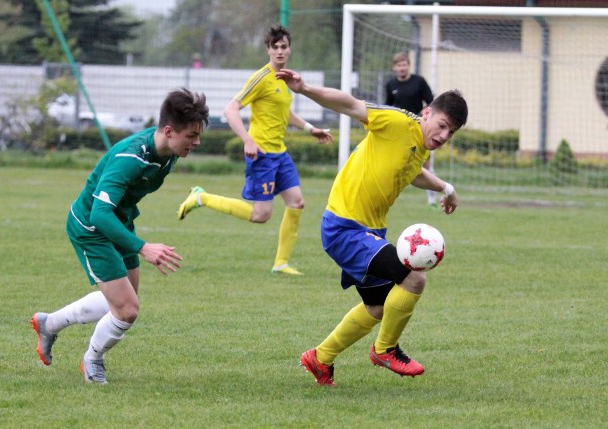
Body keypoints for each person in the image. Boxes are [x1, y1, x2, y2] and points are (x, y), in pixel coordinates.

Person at [276, 68, 468, 386]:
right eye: (443, 125)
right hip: (345, 228)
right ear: (427, 113)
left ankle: (320, 358)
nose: (444, 136)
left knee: (377, 307)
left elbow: (413, 172)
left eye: (452, 133)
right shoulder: (396, 123)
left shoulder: (418, 147)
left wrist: (444, 187)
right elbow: (349, 104)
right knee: (414, 279)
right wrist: (304, 88)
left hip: (368, 231)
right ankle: (385, 349)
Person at [30, 88, 210, 384]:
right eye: (191, 135)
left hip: (119, 221)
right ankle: (92, 360)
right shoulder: (130, 158)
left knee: (123, 301)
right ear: (168, 130)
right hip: (91, 227)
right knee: (127, 310)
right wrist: (143, 247)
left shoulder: (168, 153)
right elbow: (99, 214)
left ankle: (50, 324)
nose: (197, 142)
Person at [177, 25, 332, 276]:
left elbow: (284, 112)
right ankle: (201, 197)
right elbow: (231, 109)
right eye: (275, 47)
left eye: (284, 46)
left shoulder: (285, 79)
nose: (280, 51)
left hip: (279, 153)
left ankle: (281, 263)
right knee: (261, 215)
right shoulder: (261, 78)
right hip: (262, 155)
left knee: (297, 202)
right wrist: (248, 140)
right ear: (268, 50)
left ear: (289, 49)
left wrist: (309, 128)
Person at [385, 52, 438, 209]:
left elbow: (432, 102)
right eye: (399, 65)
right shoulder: (390, 85)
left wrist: (425, 112)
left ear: (409, 65)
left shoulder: (419, 82)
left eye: (404, 65)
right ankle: (389, 195)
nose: (402, 68)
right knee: (395, 162)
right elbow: (387, 106)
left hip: (419, 129)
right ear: (394, 67)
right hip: (399, 130)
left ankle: (432, 199)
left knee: (426, 164)